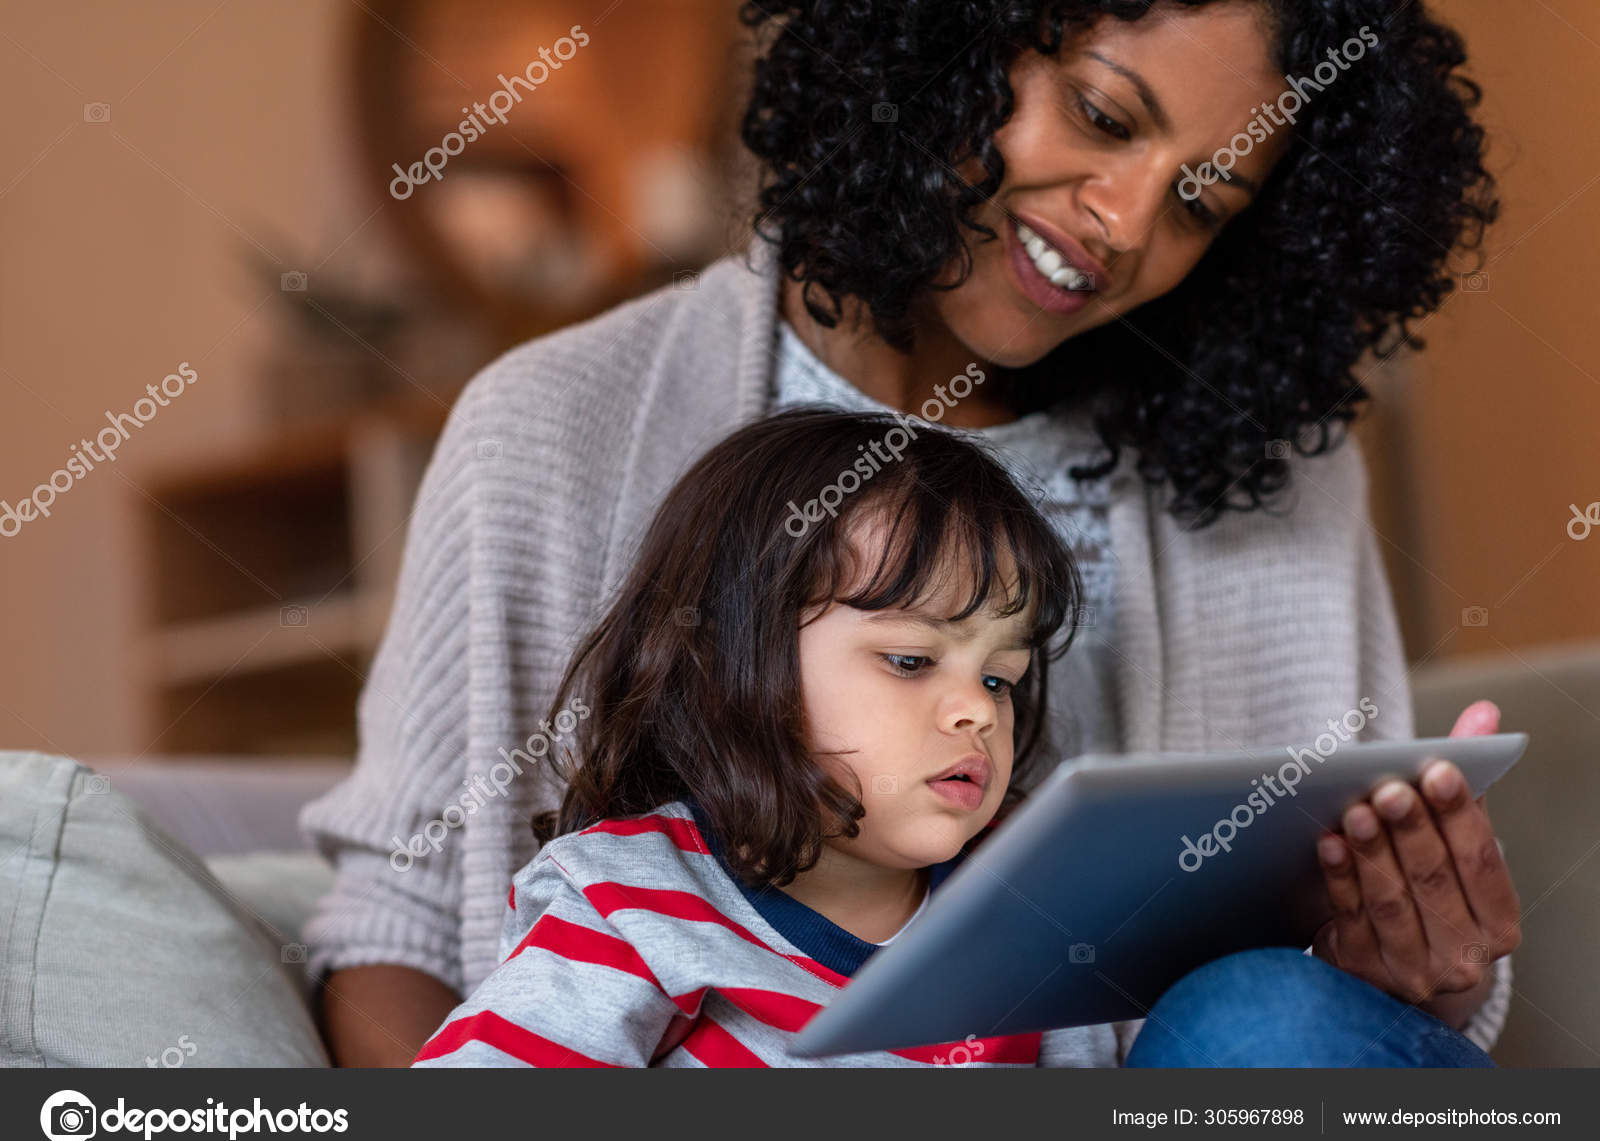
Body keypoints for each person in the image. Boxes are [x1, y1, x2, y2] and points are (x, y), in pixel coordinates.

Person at [300, 0, 1519, 1065]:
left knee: (1256, 1017)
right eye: (1101, 116)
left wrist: (1420, 965)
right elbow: (392, 937)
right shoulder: (554, 426)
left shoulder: (1282, 489)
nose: (1127, 222)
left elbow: (1314, 1024)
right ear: (947, 37)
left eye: (1202, 200)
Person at [407, 407, 1493, 1068]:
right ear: (722, 662)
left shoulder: (1024, 911)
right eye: (912, 660)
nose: (978, 708)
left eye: (1006, 678)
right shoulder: (629, 901)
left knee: (1255, 1003)